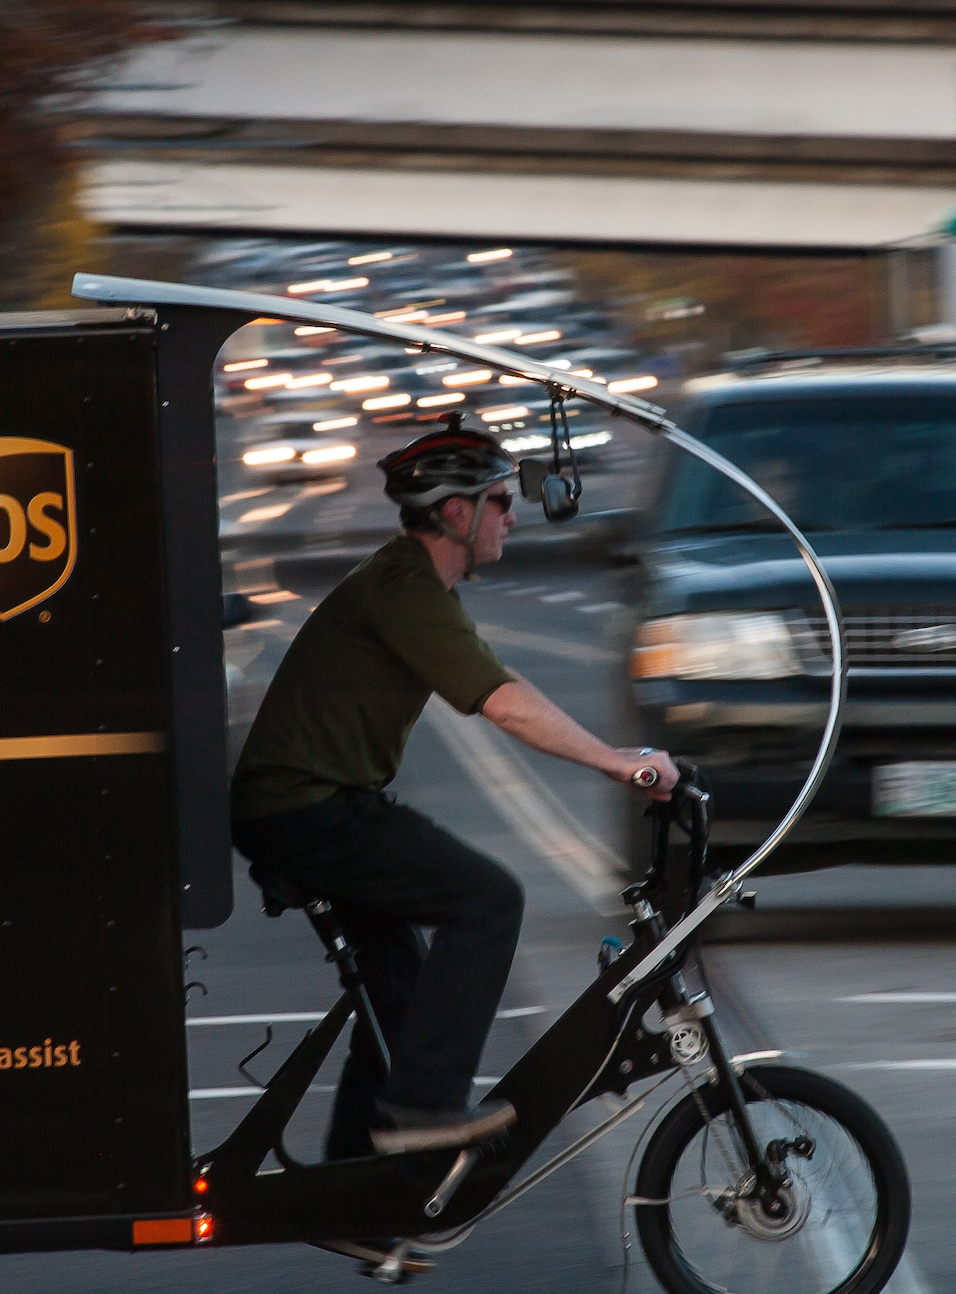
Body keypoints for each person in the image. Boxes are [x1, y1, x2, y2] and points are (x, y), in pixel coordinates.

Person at [229, 414, 680, 1157]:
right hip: (306, 809)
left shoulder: (417, 589)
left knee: (400, 985)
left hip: (312, 806)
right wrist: (615, 761)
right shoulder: (401, 587)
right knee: (488, 898)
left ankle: (357, 1181)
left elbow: (503, 679)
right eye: (501, 501)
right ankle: (423, 1107)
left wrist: (615, 751)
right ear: (456, 512)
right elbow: (500, 704)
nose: (512, 515)